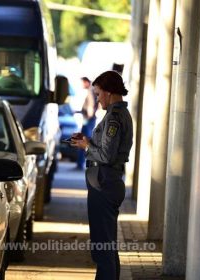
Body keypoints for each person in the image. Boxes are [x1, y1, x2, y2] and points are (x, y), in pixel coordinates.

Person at [71, 71, 133, 280]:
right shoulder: (115, 114)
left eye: (98, 94)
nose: (97, 99)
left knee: (102, 245)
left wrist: (87, 145)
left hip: (104, 181)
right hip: (105, 180)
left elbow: (106, 154)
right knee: (106, 243)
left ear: (107, 92)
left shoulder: (115, 117)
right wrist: (87, 141)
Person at [76, 77, 97, 169]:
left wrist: (88, 115)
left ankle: (81, 163)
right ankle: (81, 162)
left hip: (88, 119)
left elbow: (91, 106)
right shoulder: (93, 90)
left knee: (84, 141)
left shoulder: (90, 91)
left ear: (87, 82)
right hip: (89, 119)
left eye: (82, 83)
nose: (82, 85)